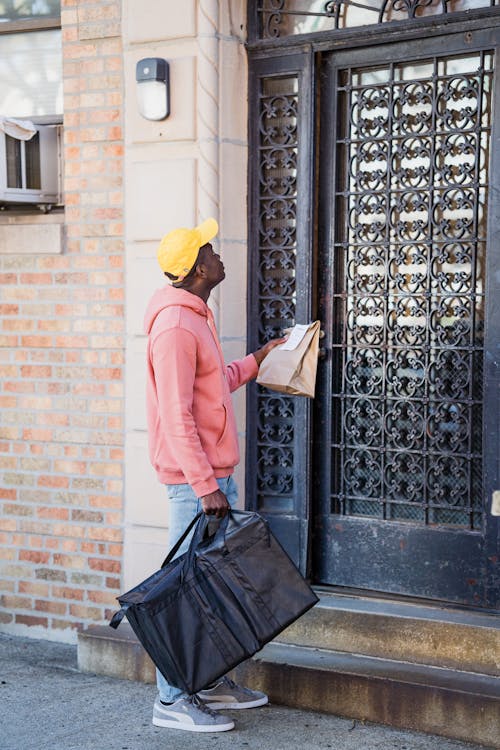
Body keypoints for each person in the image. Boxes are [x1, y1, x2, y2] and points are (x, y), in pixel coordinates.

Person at [144, 217, 285, 733]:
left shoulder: (196, 318)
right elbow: (177, 414)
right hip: (194, 484)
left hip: (212, 477)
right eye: (213, 251)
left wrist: (257, 359)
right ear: (199, 267)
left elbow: (213, 385)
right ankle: (170, 699)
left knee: (213, 587)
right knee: (184, 593)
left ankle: (206, 683)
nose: (221, 257)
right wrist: (206, 487)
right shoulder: (177, 326)